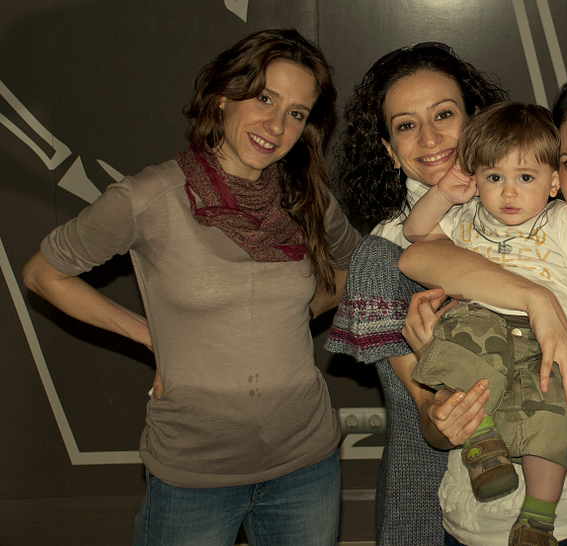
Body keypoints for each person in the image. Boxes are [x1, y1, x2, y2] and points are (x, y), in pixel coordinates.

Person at [326, 41, 567, 544]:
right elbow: (413, 255)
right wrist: (534, 303)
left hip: (553, 523)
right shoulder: (446, 232)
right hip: (453, 513)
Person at [22, 29, 360, 546]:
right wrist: (152, 336)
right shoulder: (148, 197)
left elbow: (355, 266)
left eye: (296, 112)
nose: (276, 125)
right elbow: (43, 274)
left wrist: (298, 313)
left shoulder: (306, 197)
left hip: (306, 465)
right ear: (223, 96)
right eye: (264, 98)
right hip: (194, 475)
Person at [403, 101, 567, 544]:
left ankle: (538, 519)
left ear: (553, 182)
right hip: (482, 322)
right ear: (475, 178)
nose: (508, 193)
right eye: (493, 178)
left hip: (544, 340)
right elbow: (416, 234)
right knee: (465, 344)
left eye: (525, 178)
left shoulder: (559, 219)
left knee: (552, 411)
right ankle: (484, 447)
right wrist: (444, 194)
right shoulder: (468, 218)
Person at [326, 42, 509, 545]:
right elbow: (431, 415)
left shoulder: (534, 216)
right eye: (406, 125)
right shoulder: (383, 256)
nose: (429, 137)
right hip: (428, 504)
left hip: (543, 495)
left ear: (477, 119)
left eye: (444, 114)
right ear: (389, 148)